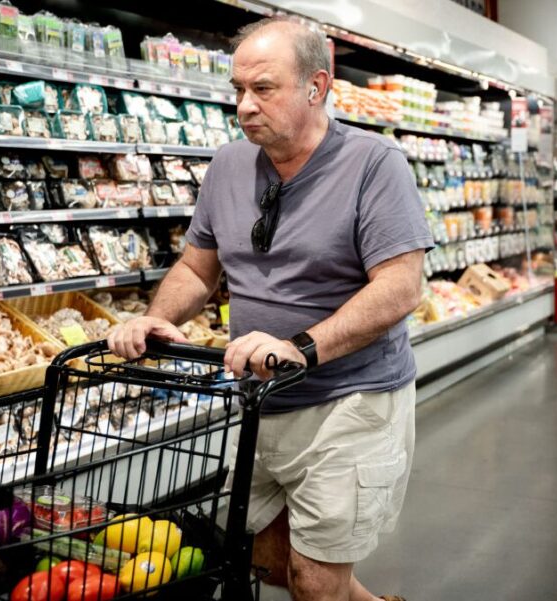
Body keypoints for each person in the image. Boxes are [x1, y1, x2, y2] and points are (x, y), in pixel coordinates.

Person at [106, 17, 432, 601]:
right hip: (258, 396)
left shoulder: (375, 165)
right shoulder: (229, 165)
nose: (245, 106)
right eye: (237, 90)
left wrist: (301, 347)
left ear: (317, 86)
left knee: (314, 578)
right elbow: (196, 268)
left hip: (349, 399)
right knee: (267, 559)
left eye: (264, 89)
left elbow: (402, 287)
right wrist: (160, 316)